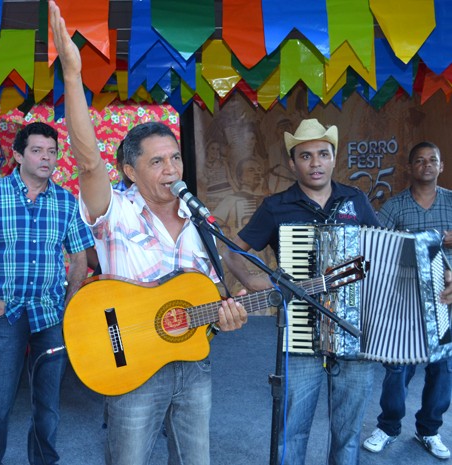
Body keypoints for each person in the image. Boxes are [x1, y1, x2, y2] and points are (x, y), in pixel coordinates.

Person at [49, 2, 248, 464]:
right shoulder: (113, 210)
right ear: (130, 171)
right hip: (130, 366)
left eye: (175, 158)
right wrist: (74, 77)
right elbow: (86, 159)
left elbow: (212, 289)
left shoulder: (200, 219)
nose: (170, 168)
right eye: (156, 161)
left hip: (194, 365)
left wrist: (227, 310)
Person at [224, 118, 382, 465]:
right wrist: (252, 282)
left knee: (348, 432)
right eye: (306, 156)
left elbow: (381, 252)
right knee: (292, 429)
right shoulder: (276, 206)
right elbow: (233, 252)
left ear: (333, 158)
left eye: (323, 154)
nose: (315, 163)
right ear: (293, 163)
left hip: (354, 331)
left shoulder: (355, 200)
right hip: (299, 333)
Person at [0, 121, 95, 465]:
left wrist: (68, 304)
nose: (46, 158)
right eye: (37, 151)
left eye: (52, 152)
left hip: (51, 315)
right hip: (4, 313)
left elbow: (80, 257)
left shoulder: (66, 201)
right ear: (19, 155)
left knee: (48, 405)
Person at [362, 141, 452, 460]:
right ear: (409, 168)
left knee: (442, 369)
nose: (426, 165)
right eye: (419, 160)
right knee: (398, 368)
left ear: (440, 166)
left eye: (432, 160)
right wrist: (437, 238)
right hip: (404, 301)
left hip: (445, 301)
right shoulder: (395, 206)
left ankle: (429, 430)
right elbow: (376, 248)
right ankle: (388, 427)